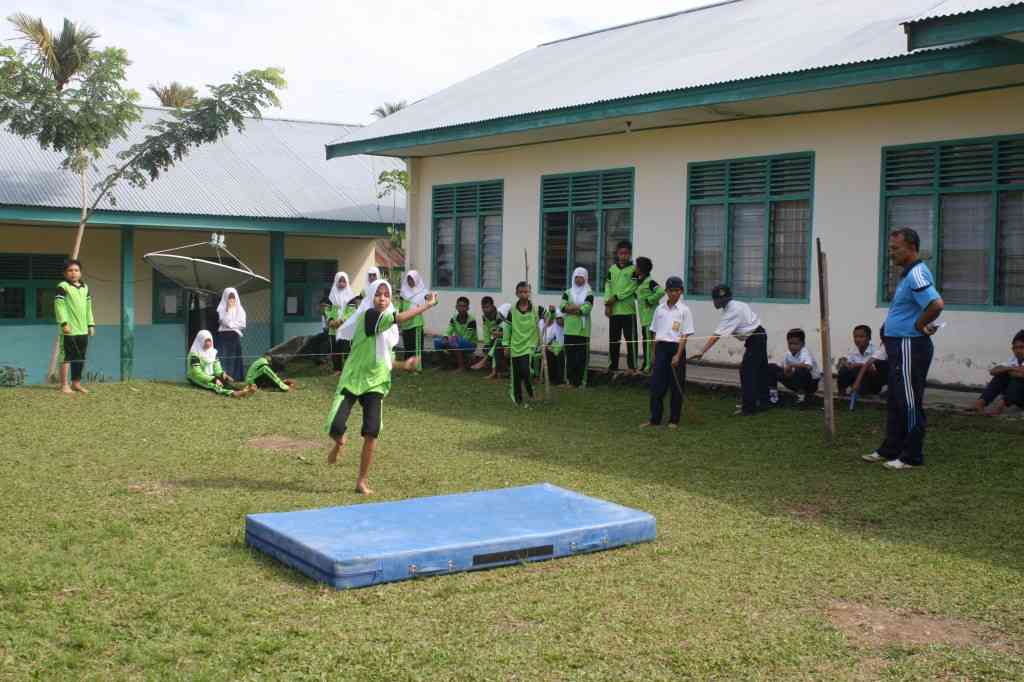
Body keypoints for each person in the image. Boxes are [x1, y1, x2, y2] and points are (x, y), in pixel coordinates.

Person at [325, 281, 438, 495]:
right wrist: (427, 305)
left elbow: (387, 361)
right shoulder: (369, 316)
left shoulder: (388, 334)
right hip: (353, 379)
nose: (383, 298)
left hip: (376, 382)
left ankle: (361, 481)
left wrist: (404, 365)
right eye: (378, 294)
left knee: (372, 431)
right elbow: (400, 318)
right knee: (335, 426)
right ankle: (339, 442)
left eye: (387, 295)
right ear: (370, 297)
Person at [862, 228, 944, 470]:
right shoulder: (908, 275)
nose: (891, 253)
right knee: (896, 398)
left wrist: (919, 324)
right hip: (898, 344)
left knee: (908, 400)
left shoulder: (917, 273)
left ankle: (911, 456)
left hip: (910, 344)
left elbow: (936, 304)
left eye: (895, 248)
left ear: (911, 248)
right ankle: (890, 449)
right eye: (890, 249)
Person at [690, 285, 769, 416]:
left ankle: (749, 408)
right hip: (758, 336)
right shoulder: (736, 305)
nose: (715, 302)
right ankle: (762, 402)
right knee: (759, 371)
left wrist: (702, 351)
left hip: (755, 339)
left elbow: (717, 335)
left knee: (747, 372)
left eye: (717, 300)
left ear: (722, 300)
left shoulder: (732, 311)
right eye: (716, 299)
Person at [641, 277, 693, 429]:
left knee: (676, 385)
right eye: (671, 291)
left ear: (681, 291)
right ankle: (654, 419)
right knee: (657, 385)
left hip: (676, 348)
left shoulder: (684, 310)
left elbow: (685, 335)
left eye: (677, 290)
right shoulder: (660, 309)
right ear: (666, 292)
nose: (674, 293)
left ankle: (674, 420)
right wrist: (654, 353)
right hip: (661, 348)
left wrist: (678, 355)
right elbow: (654, 332)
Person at [54, 259, 95, 394]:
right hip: (69, 330)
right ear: (65, 273)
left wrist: (91, 324)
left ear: (80, 273)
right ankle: (64, 385)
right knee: (66, 357)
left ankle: (76, 383)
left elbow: (89, 308)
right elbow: (59, 307)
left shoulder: (85, 287)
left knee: (80, 357)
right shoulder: (63, 286)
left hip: (83, 329)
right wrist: (64, 323)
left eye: (76, 270)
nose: (73, 273)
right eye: (70, 270)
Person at [503, 282, 547, 405]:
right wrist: (506, 345)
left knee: (525, 370)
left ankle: (531, 394)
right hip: (516, 345)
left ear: (530, 293)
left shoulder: (536, 308)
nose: (523, 294)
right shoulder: (512, 310)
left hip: (529, 345)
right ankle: (518, 398)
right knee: (516, 374)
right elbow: (507, 328)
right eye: (521, 292)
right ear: (517, 294)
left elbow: (548, 317)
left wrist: (551, 314)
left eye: (526, 292)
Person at [604, 240, 639, 374]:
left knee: (631, 339)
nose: (623, 256)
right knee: (613, 340)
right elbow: (607, 286)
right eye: (620, 253)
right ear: (617, 254)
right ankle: (612, 366)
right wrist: (608, 303)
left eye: (626, 253)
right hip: (614, 311)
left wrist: (617, 297)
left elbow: (633, 287)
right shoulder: (612, 269)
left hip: (628, 310)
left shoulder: (634, 269)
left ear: (630, 254)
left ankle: (632, 366)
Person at [187, 330, 252, 398]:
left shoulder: (212, 352)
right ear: (200, 341)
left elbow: (217, 369)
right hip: (195, 377)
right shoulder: (194, 355)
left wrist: (222, 374)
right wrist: (213, 379)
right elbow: (197, 373)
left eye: (210, 341)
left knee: (224, 382)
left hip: (209, 376)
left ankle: (243, 391)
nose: (208, 343)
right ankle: (232, 393)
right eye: (206, 341)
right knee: (213, 385)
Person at [974, 330, 1024, 416]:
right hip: (1018, 398)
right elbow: (993, 371)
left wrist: (1011, 371)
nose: (1018, 351)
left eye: (1021, 347)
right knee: (1001, 375)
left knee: (1017, 378)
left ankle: (999, 409)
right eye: (1015, 348)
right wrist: (1010, 368)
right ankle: (979, 404)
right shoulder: (1013, 360)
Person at [767, 328, 821, 405]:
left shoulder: (805, 352)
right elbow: (784, 368)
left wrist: (792, 366)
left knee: (802, 370)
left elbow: (808, 367)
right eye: (790, 344)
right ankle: (773, 397)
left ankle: (802, 399)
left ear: (803, 344)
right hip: (795, 380)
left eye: (795, 344)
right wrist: (786, 372)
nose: (792, 346)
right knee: (771, 367)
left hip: (810, 384)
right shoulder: (788, 354)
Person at [634, 257, 666, 374]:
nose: (635, 268)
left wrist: (650, 300)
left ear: (641, 269)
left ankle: (648, 366)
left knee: (649, 342)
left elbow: (661, 291)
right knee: (646, 341)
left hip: (651, 317)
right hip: (644, 317)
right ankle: (646, 363)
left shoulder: (650, 282)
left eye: (636, 266)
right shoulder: (639, 281)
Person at [837, 325, 885, 396]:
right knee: (843, 370)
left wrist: (858, 365)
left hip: (872, 382)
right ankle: (841, 395)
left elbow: (873, 370)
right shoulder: (852, 349)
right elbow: (843, 361)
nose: (858, 339)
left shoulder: (876, 351)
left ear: (869, 338)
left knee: (859, 369)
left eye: (861, 337)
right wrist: (844, 362)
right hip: (857, 380)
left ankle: (868, 393)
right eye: (855, 337)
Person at [433, 296, 478, 370]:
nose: (461, 308)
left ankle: (461, 366)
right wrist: (445, 337)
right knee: (437, 341)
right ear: (456, 307)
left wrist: (451, 340)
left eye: (464, 306)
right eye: (459, 306)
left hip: (470, 344)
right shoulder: (453, 318)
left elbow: (468, 337)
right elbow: (448, 331)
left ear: (467, 308)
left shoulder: (471, 320)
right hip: (457, 341)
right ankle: (442, 364)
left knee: (455, 341)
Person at [328, 272, 357, 372]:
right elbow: (328, 310)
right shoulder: (331, 296)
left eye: (344, 281)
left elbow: (352, 312)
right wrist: (331, 321)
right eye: (339, 281)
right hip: (334, 328)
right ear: (336, 281)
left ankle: (348, 370)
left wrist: (341, 320)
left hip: (346, 327)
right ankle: (337, 370)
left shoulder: (351, 297)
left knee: (347, 349)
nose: (341, 283)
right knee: (336, 350)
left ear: (347, 282)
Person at [215, 287, 246, 380]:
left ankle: (235, 377)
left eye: (233, 297)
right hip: (223, 335)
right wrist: (228, 310)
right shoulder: (221, 309)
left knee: (234, 357)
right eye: (229, 297)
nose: (231, 299)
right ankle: (223, 377)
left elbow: (242, 324)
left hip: (234, 335)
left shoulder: (240, 309)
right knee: (223, 357)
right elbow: (223, 321)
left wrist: (231, 325)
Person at [399, 270, 428, 369]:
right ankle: (408, 365)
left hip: (416, 323)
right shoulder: (404, 292)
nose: (410, 281)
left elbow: (430, 301)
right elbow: (401, 307)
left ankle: (417, 367)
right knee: (408, 346)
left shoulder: (423, 292)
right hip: (405, 323)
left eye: (412, 279)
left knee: (417, 347)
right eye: (408, 279)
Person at [471, 296, 505, 376]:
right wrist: (486, 343)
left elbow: (504, 330)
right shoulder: (485, 317)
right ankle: (495, 368)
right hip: (495, 338)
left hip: (504, 338)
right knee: (488, 347)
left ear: (492, 306)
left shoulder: (499, 315)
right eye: (483, 307)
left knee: (496, 344)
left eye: (487, 307)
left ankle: (486, 364)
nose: (485, 309)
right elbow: (486, 330)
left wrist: (496, 335)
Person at [543, 312, 567, 386]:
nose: (558, 321)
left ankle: (560, 380)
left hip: (564, 348)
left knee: (560, 355)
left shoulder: (568, 327)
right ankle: (551, 378)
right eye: (557, 319)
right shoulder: (555, 326)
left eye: (560, 318)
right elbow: (550, 338)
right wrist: (548, 346)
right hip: (556, 347)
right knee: (549, 352)